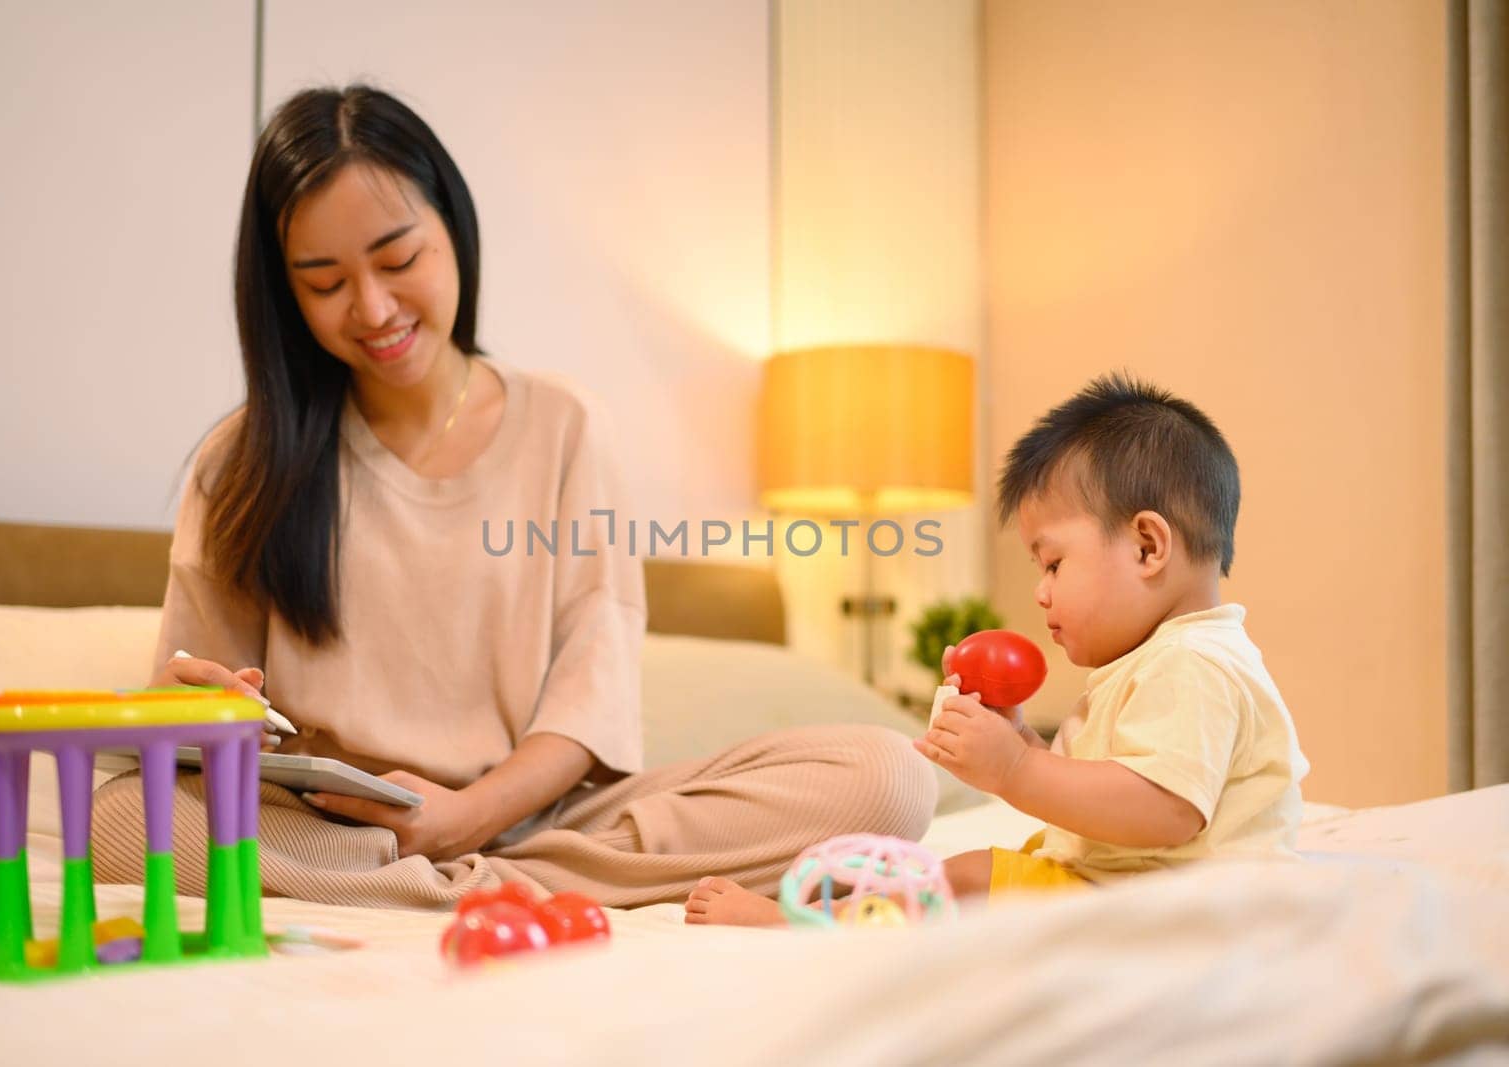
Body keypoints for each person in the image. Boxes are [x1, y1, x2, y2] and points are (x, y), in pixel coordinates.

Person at [91, 84, 934, 909]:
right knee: (121, 821)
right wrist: (201, 707)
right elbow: (188, 724)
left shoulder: (565, 426)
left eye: (398, 259)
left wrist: (467, 817)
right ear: (284, 290)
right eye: (324, 282)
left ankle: (440, 887)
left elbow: (588, 694)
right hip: (336, 826)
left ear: (452, 229)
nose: (373, 306)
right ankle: (478, 890)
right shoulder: (240, 462)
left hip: (543, 820)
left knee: (887, 776)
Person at [689, 373, 1308, 924]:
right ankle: (857, 905)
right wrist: (1023, 747)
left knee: (961, 881)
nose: (1040, 593)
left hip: (1174, 907)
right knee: (972, 871)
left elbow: (1165, 810)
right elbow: (1110, 790)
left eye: (1054, 563)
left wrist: (1015, 770)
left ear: (1147, 547)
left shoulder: (1192, 663)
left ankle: (796, 927)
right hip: (1147, 887)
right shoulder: (1170, 658)